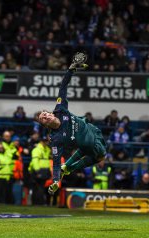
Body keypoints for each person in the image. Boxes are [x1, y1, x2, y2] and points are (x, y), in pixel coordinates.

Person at [35, 52, 107, 195]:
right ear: (46, 125)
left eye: (45, 114)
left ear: (50, 113)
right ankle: (67, 167)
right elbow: (55, 162)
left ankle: (67, 167)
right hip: (90, 146)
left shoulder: (60, 109)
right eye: (43, 118)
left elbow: (63, 87)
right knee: (100, 155)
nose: (46, 116)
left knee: (86, 147)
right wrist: (56, 181)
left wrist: (70, 70)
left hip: (92, 129)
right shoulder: (55, 139)